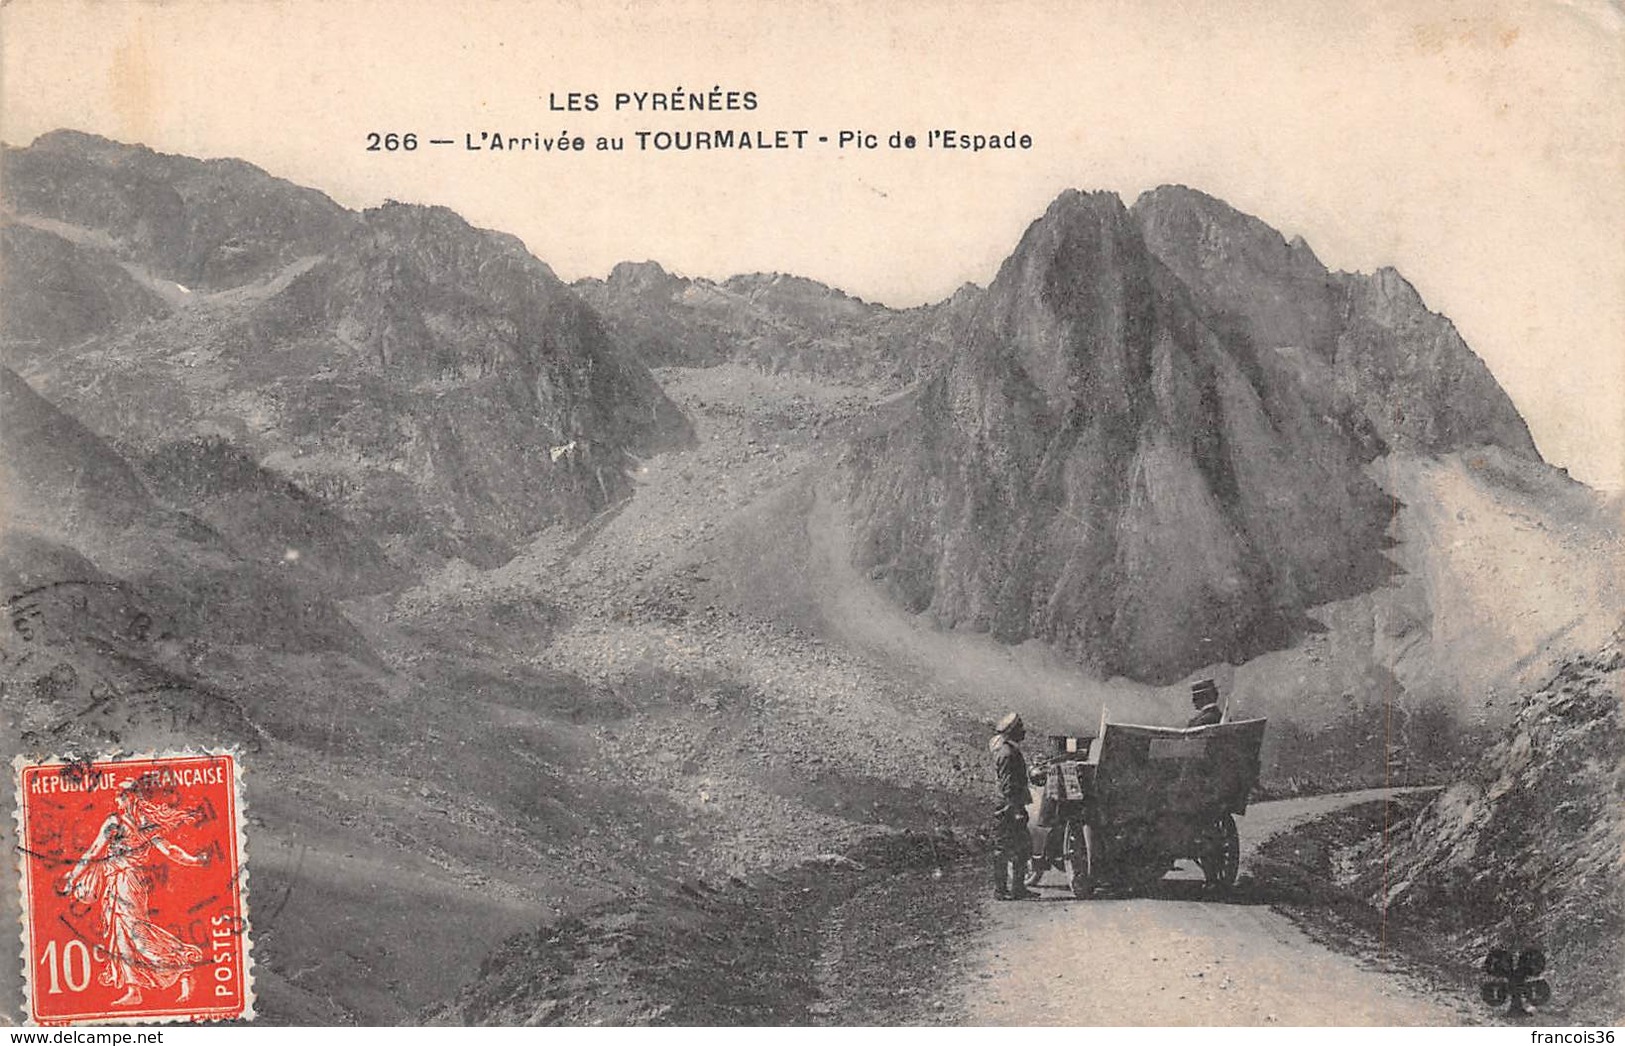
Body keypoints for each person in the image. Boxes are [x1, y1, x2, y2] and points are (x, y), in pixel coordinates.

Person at [59, 781, 209, 1006]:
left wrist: (73, 878)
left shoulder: (119, 822)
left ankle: (180, 966)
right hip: (117, 881)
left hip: (127, 882)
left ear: (130, 798)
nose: (117, 802)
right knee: (122, 934)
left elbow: (93, 852)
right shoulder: (140, 824)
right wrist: (195, 861)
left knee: (134, 932)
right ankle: (134, 989)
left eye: (120, 797)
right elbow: (171, 851)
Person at [989, 712, 1038, 900]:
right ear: (1013, 731)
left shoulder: (1008, 750)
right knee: (1005, 848)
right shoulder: (1008, 753)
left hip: (1010, 807)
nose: (1024, 731)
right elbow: (1008, 786)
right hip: (1009, 808)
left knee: (1020, 848)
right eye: (1020, 728)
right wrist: (1017, 810)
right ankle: (1001, 890)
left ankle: (1015, 889)